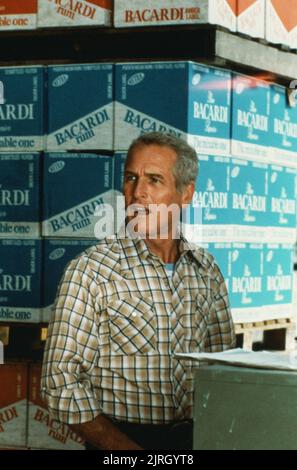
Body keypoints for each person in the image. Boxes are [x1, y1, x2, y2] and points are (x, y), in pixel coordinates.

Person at [41, 132, 236, 450]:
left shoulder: (206, 271)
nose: (138, 192)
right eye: (131, 177)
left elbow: (222, 370)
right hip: (121, 442)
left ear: (185, 193)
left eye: (154, 180)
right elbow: (59, 381)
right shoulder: (92, 271)